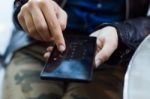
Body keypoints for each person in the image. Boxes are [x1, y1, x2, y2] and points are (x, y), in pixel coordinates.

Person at [2, 0, 150, 99]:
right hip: (39, 45)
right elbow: (21, 6)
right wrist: (29, 8)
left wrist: (122, 33)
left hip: (113, 54)